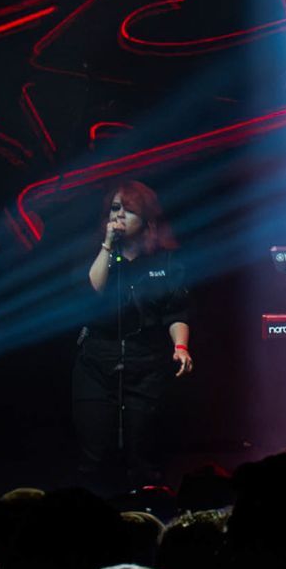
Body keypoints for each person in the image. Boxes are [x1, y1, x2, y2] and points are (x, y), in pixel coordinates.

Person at [75, 181, 192, 496]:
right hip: (97, 362)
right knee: (94, 450)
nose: (119, 216)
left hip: (145, 364)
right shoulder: (97, 255)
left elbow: (176, 313)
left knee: (142, 451)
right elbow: (93, 292)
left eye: (129, 210)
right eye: (115, 208)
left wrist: (181, 347)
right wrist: (107, 246)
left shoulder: (166, 261)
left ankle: (146, 508)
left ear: (147, 218)